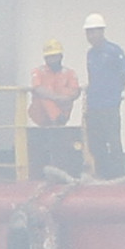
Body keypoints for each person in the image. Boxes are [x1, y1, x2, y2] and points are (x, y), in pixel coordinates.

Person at [81, 13, 125, 179]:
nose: (91, 36)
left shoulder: (114, 51)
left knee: (113, 142)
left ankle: (118, 176)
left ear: (102, 31)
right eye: (88, 32)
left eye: (94, 31)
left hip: (110, 105)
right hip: (94, 106)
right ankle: (103, 175)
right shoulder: (90, 54)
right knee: (96, 144)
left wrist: (114, 92)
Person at [25, 41, 85, 176]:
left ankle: (57, 119)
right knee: (44, 94)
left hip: (63, 113)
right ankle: (56, 119)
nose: (52, 60)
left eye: (54, 56)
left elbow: (75, 91)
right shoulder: (38, 72)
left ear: (61, 56)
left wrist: (64, 98)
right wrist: (56, 98)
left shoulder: (70, 73)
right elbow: (38, 89)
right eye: (49, 57)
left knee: (62, 93)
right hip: (40, 114)